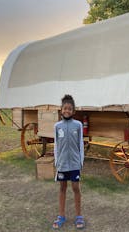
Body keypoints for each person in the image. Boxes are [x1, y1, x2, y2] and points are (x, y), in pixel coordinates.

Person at [52, 95, 85, 230]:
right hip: (62, 164)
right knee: (62, 188)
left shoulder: (78, 125)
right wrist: (57, 161)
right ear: (61, 110)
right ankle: (61, 216)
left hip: (75, 164)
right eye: (65, 108)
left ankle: (79, 216)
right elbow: (55, 145)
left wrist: (81, 162)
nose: (67, 111)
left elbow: (80, 144)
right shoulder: (57, 126)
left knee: (76, 188)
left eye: (70, 109)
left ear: (73, 111)